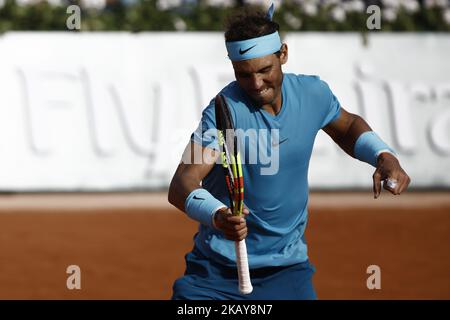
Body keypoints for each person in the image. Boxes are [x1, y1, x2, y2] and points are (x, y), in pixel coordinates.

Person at [168, 5, 410, 300]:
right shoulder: (223, 112)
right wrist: (217, 215)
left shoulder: (313, 94)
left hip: (288, 271)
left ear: (283, 54)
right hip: (215, 275)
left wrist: (383, 155)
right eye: (244, 75)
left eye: (264, 70)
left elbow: (346, 127)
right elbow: (182, 182)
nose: (256, 84)